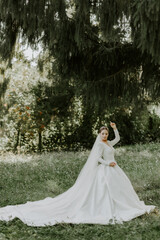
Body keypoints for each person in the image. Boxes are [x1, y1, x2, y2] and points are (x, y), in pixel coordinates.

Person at [0, 122, 155, 226]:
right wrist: (108, 163)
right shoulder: (100, 145)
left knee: (121, 189)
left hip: (115, 169)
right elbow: (98, 158)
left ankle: (123, 206)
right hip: (106, 169)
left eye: (106, 133)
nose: (105, 135)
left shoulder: (109, 142)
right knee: (103, 191)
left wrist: (115, 128)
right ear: (99, 135)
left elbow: (119, 138)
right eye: (103, 133)